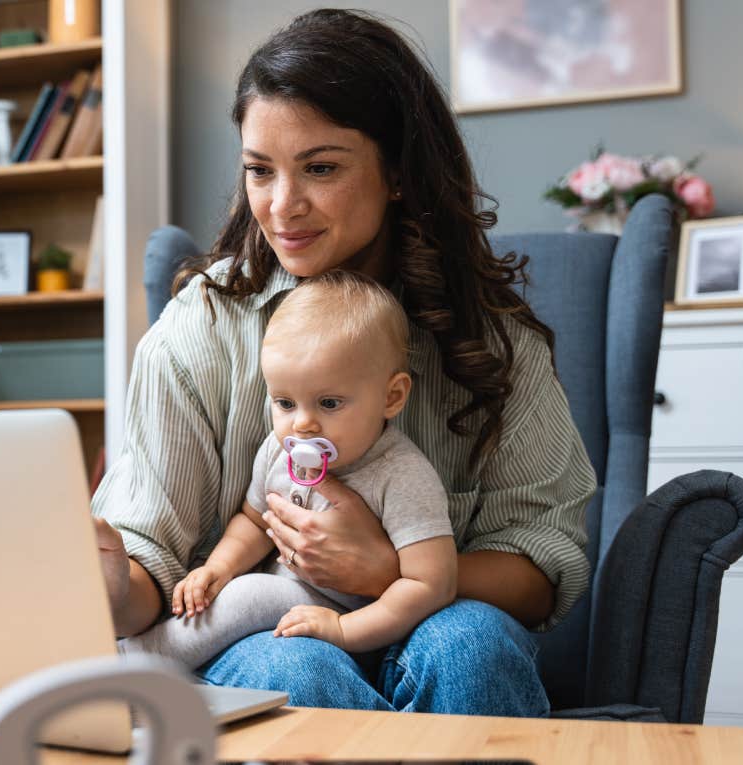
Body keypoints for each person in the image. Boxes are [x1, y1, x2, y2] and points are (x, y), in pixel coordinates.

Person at [90, 8, 596, 716]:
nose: (283, 206)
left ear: (396, 171)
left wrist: (389, 571)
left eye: (321, 168)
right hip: (267, 631)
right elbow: (151, 566)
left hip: (436, 620)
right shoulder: (199, 327)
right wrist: (108, 576)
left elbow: (543, 563)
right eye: (259, 171)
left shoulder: (492, 338)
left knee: (472, 646)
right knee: (296, 666)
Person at [118, 272, 456, 669]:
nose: (302, 425)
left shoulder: (402, 475)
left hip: (362, 620)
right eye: (284, 402)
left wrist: (345, 629)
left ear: (392, 396)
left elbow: (432, 584)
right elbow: (254, 520)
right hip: (294, 612)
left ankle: (143, 662)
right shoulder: (279, 451)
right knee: (238, 591)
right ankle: (154, 662)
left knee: (251, 595)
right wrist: (218, 568)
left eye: (329, 403)